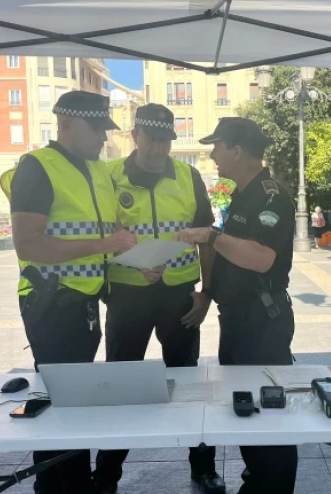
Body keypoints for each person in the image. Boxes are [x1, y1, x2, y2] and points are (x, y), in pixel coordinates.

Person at [0, 91, 136, 494]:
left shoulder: (96, 171)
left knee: (67, 405)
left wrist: (132, 260)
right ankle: (64, 486)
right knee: (63, 407)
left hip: (84, 304)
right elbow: (29, 244)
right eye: (96, 128)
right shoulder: (37, 168)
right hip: (52, 305)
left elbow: (103, 238)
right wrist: (103, 247)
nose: (102, 137)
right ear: (66, 123)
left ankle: (58, 485)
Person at [92, 104, 224, 493]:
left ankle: (203, 468)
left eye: (166, 140)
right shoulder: (108, 175)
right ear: (135, 135)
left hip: (179, 297)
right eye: (151, 139)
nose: (158, 148)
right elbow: (99, 233)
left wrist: (207, 295)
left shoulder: (188, 175)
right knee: (122, 385)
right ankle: (106, 476)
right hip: (127, 295)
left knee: (188, 382)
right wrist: (130, 263)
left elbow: (207, 238)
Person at [176, 117, 298, 494]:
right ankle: (258, 473)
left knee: (269, 408)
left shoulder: (271, 194)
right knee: (245, 405)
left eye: (217, 147)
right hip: (239, 320)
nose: (213, 155)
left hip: (261, 322)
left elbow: (261, 258)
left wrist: (210, 236)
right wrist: (210, 290)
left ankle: (272, 483)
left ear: (238, 150)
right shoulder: (243, 194)